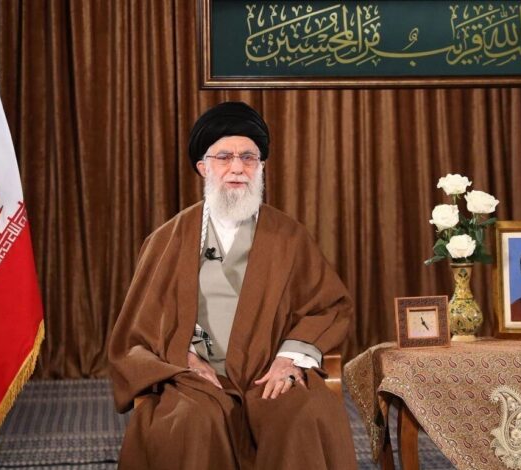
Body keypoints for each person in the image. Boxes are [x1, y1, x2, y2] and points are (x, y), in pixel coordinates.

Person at [108, 102, 357, 470]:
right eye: (224, 157)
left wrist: (289, 359)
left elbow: (328, 306)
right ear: (203, 167)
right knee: (189, 424)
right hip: (196, 378)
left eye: (248, 158)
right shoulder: (167, 240)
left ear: (261, 167)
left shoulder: (289, 237)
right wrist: (184, 360)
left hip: (269, 373)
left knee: (303, 415)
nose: (238, 168)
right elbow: (137, 331)